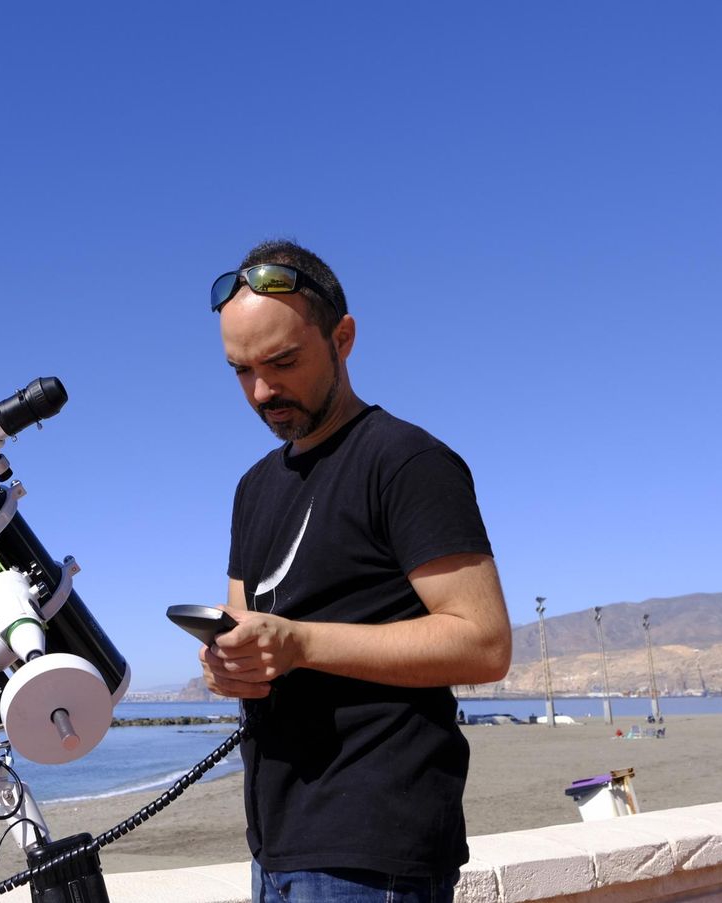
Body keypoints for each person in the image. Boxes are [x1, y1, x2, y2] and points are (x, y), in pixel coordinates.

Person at [200, 240, 512, 902]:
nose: (262, 390)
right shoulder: (252, 488)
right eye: (241, 371)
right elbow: (246, 630)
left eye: (282, 361)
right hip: (275, 844)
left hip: (376, 850)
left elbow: (485, 642)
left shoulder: (406, 461)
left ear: (343, 337)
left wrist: (300, 642)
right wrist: (229, 665)